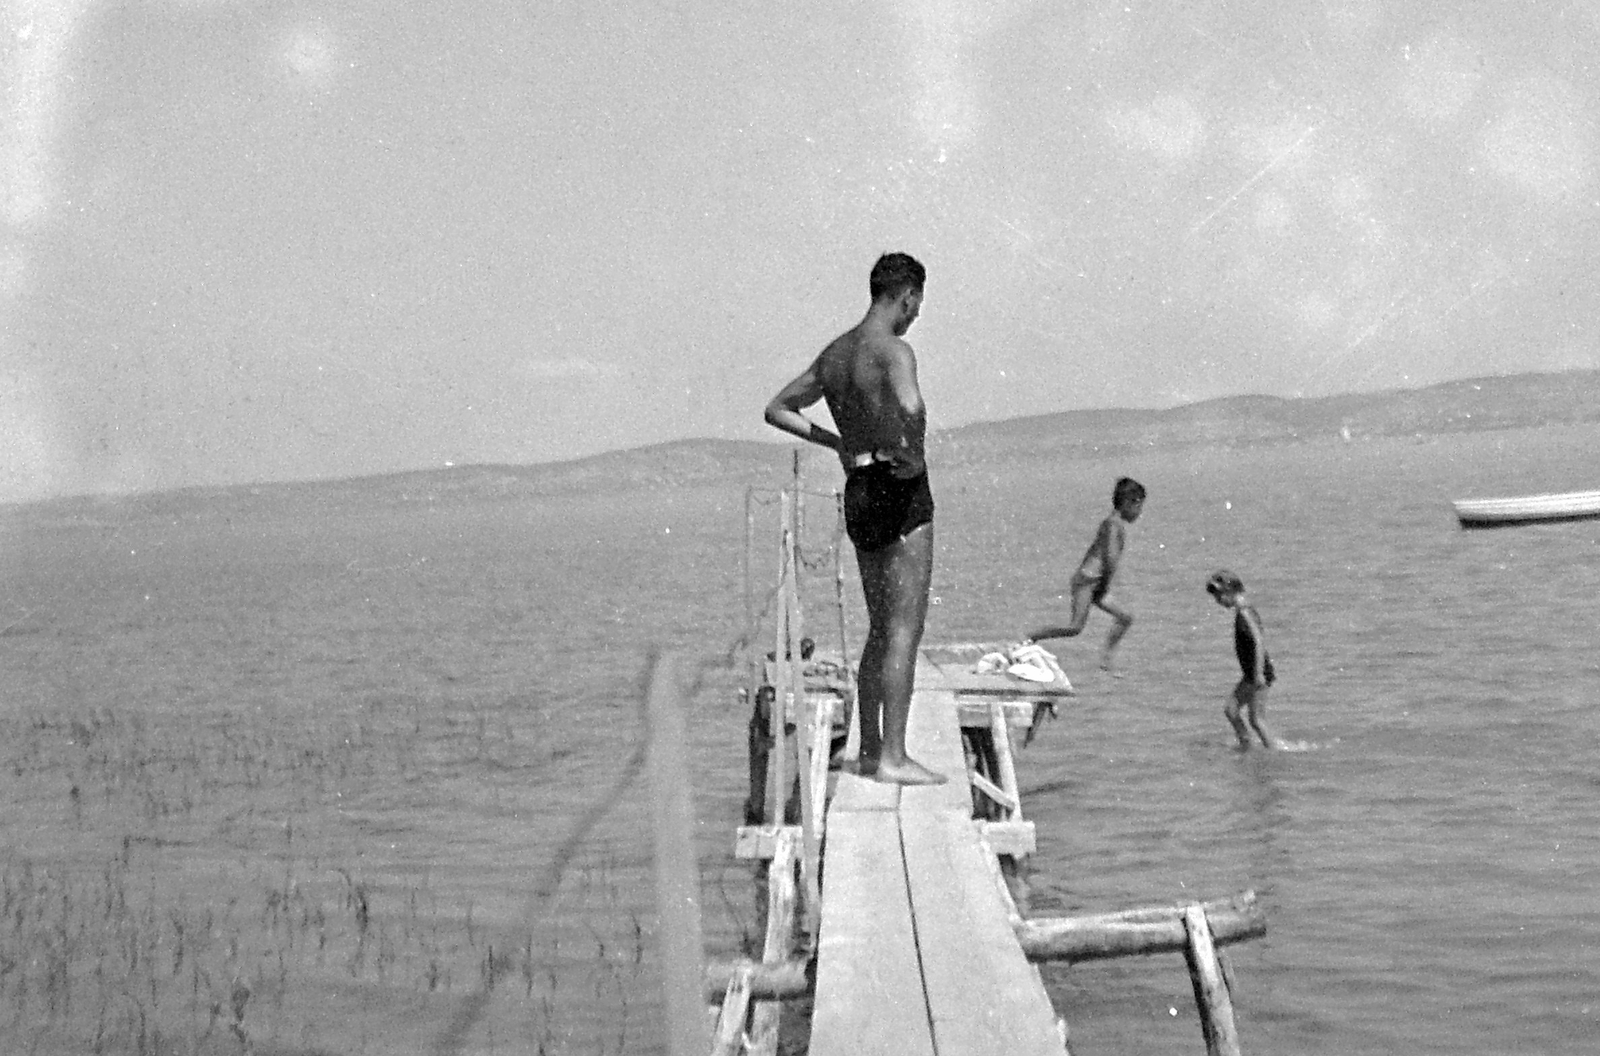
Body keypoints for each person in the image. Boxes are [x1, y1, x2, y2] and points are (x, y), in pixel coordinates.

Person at [762, 252, 946, 786]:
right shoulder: (895, 351)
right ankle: (893, 756)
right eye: (917, 304)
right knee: (905, 630)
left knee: (878, 629)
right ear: (907, 295)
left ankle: (869, 752)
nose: (915, 315)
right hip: (900, 486)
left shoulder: (837, 355)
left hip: (860, 488)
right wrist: (908, 446)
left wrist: (837, 440)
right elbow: (911, 408)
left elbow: (778, 408)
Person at [1025, 477, 1146, 674]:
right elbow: (1110, 559)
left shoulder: (1113, 523)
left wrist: (1103, 586)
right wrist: (1104, 586)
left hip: (1096, 581)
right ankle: (1031, 636)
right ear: (1128, 503)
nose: (1140, 513)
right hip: (1087, 581)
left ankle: (1106, 659)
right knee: (1075, 627)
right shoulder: (1113, 525)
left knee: (1125, 617)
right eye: (1139, 506)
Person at [1205, 569, 1286, 749]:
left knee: (1257, 719)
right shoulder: (1242, 611)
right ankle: (1246, 745)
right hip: (1250, 673)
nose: (1218, 602)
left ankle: (1275, 752)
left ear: (1230, 591)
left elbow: (1258, 641)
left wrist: (1258, 674)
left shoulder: (1245, 612)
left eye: (1219, 596)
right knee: (1231, 710)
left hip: (1258, 673)